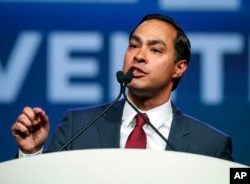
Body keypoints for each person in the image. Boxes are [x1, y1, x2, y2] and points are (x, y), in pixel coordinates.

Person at [11, 13, 233, 160]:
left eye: (155, 50)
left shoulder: (209, 145)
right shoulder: (77, 128)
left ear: (179, 67)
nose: (139, 56)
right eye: (134, 45)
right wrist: (31, 154)